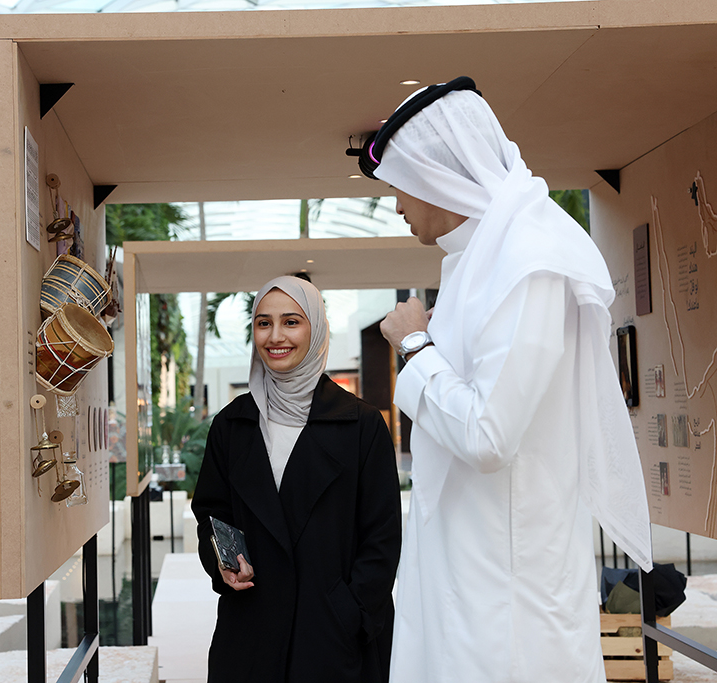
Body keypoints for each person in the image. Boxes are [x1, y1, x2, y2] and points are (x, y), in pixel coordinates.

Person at [357, 77, 653, 682]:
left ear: (434, 175)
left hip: (506, 600)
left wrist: (416, 345)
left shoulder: (530, 261)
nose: (396, 206)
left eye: (398, 187)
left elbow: (489, 435)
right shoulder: (481, 260)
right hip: (469, 581)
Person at [191, 275, 401, 683]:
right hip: (252, 628)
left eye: (291, 322)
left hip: (333, 634)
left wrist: (351, 613)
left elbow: (382, 537)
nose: (275, 336)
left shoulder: (361, 424)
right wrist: (223, 563)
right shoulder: (232, 424)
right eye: (263, 323)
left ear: (316, 328)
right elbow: (212, 514)